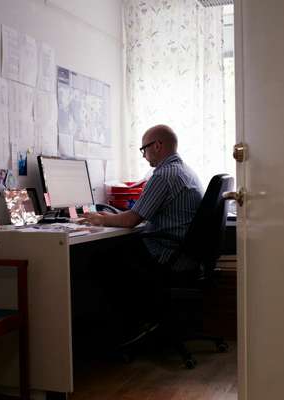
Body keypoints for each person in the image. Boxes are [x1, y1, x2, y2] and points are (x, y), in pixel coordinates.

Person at [81, 124, 203, 343]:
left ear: (157, 145)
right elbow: (137, 215)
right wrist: (114, 216)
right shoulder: (185, 171)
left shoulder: (164, 174)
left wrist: (100, 218)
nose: (145, 156)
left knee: (96, 260)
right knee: (113, 253)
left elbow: (130, 220)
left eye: (144, 150)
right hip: (185, 254)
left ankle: (118, 334)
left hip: (167, 255)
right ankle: (135, 324)